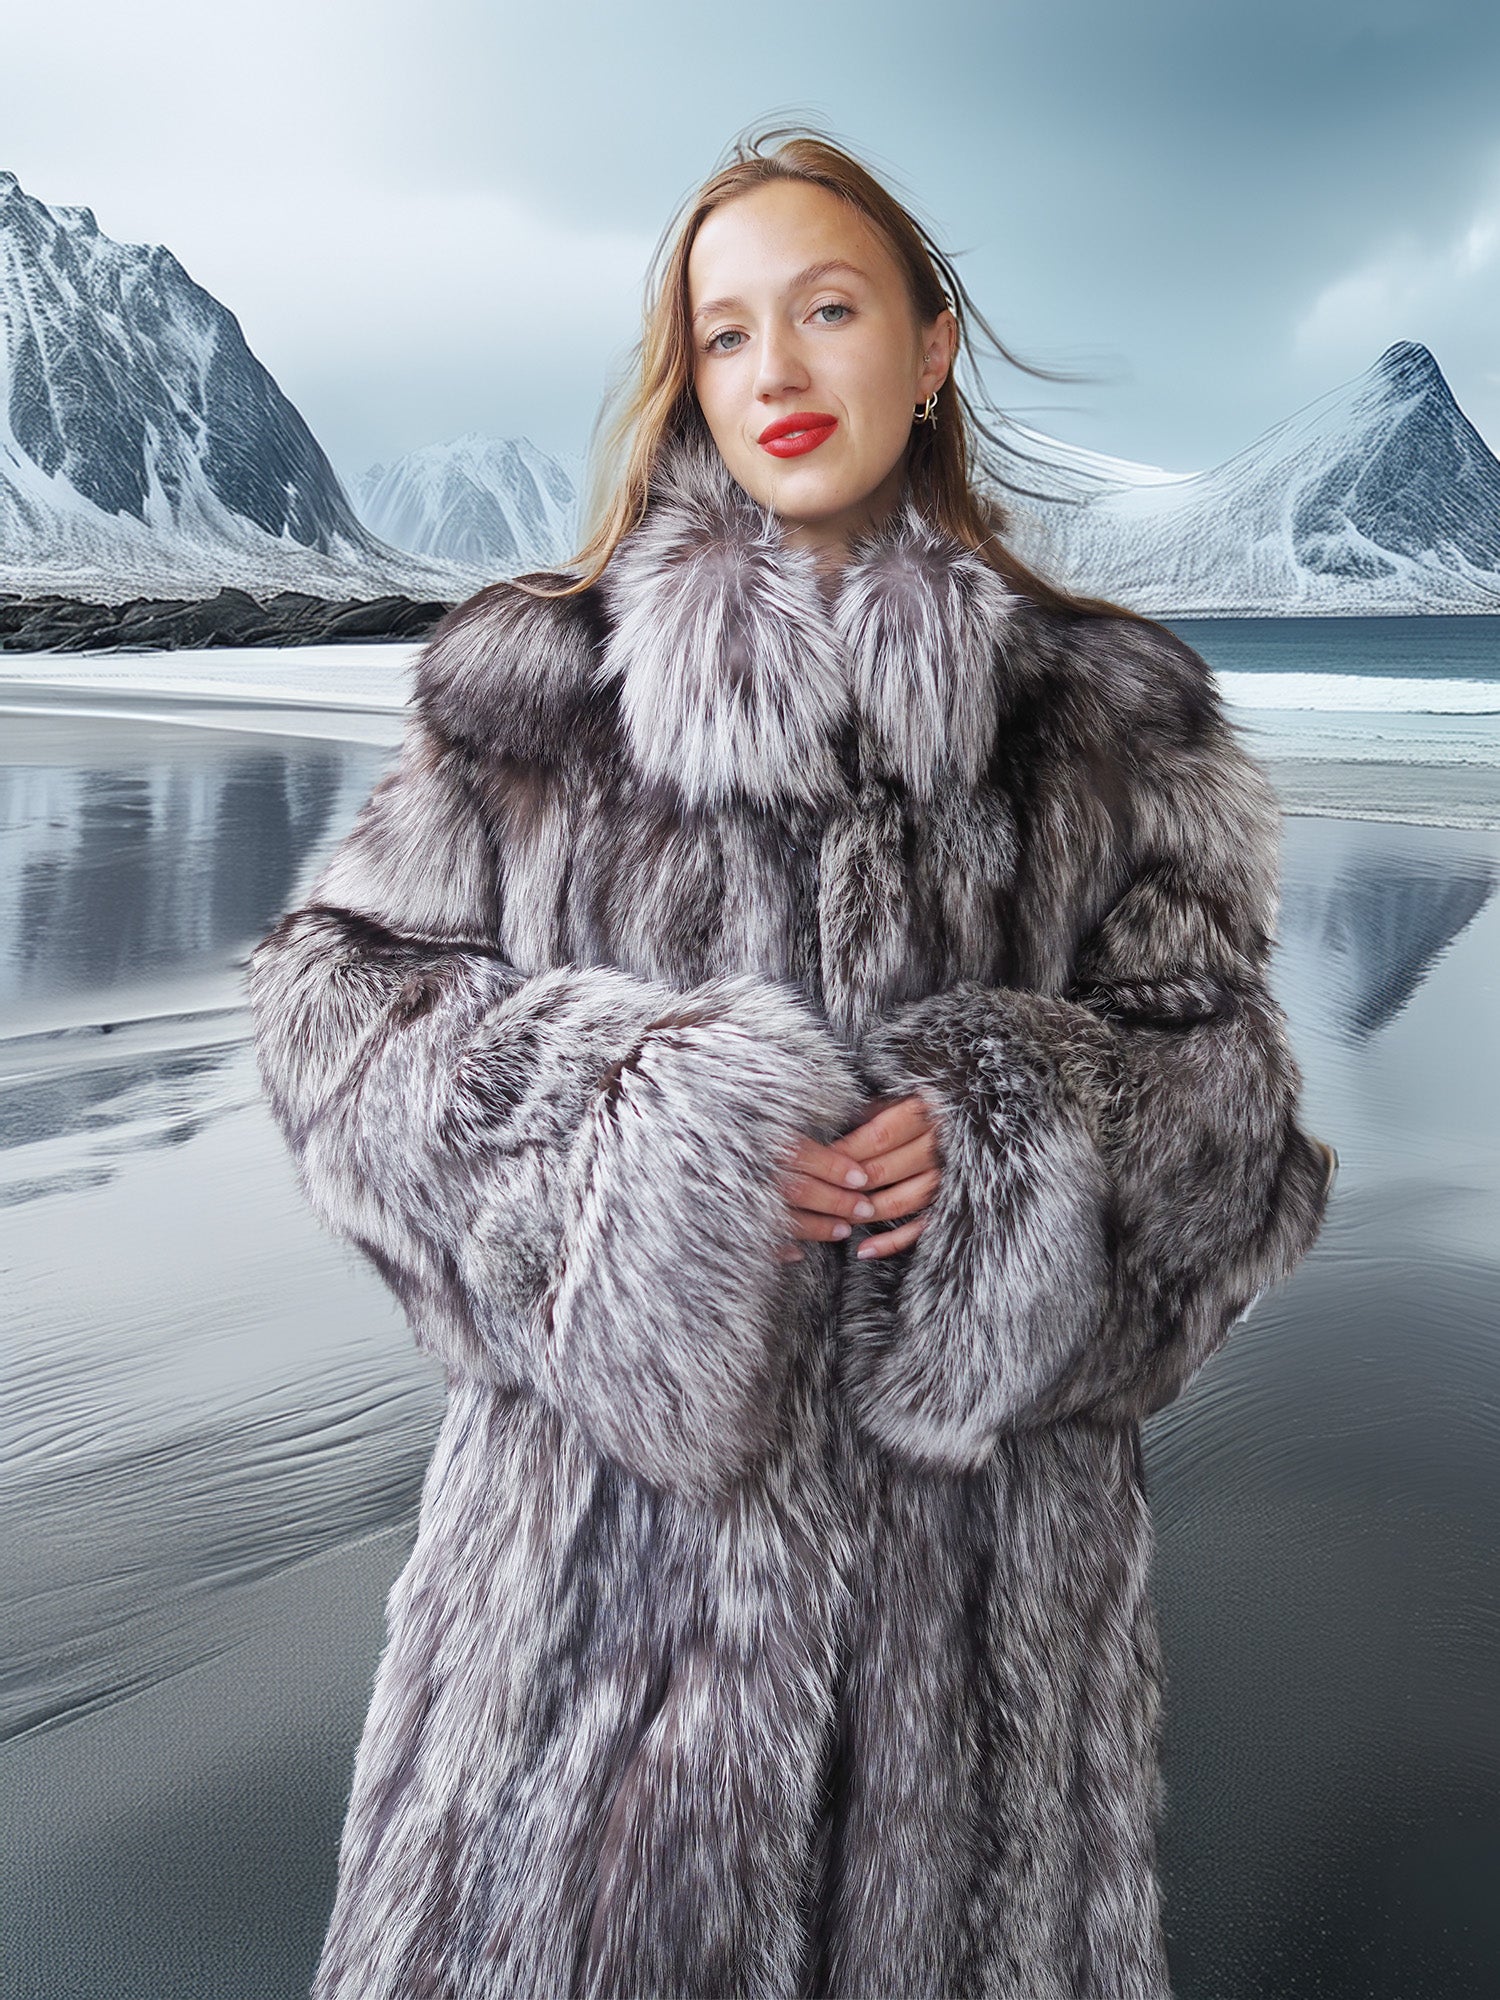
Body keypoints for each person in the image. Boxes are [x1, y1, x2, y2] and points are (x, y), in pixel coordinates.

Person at [247, 125, 1337, 2000]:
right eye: (728, 331)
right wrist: (634, 1133)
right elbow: (337, 1019)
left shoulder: (1108, 721)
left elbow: (1230, 1113)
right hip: (588, 1650)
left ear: (928, 349)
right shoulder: (539, 691)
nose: (777, 370)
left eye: (826, 310)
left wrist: (1026, 1139)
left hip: (979, 1686)